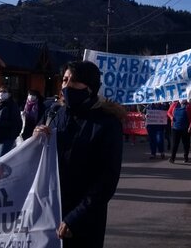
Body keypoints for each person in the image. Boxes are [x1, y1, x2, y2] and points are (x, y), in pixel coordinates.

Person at [33, 60, 126, 247]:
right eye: (65, 80)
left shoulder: (107, 123)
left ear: (90, 88)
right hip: (49, 212)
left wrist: (75, 217)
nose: (67, 86)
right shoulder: (53, 114)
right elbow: (34, 160)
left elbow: (107, 180)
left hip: (84, 221)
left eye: (74, 81)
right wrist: (35, 138)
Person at [167, 99, 191, 163]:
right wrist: (171, 117)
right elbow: (168, 112)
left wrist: (190, 127)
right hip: (175, 128)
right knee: (174, 144)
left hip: (185, 128)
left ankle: (186, 158)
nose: (182, 99)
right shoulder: (174, 104)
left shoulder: (189, 105)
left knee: (186, 144)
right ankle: (172, 158)